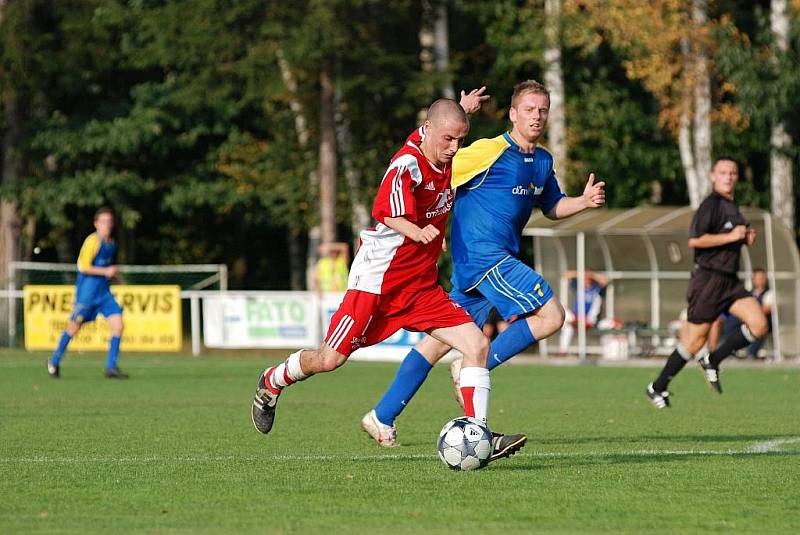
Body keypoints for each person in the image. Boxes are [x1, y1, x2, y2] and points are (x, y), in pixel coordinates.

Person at [250, 98, 524, 461]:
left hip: (420, 288)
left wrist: (461, 108)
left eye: (460, 139)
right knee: (330, 359)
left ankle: (480, 433)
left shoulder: (437, 145)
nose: (454, 148)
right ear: (428, 131)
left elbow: (441, 121)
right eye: (449, 139)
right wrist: (419, 231)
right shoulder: (405, 166)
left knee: (476, 345)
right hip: (376, 285)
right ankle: (272, 382)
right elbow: (386, 212)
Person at [362, 80, 605, 449]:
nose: (536, 116)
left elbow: (553, 206)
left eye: (542, 110)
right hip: (485, 257)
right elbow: (435, 167)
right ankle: (474, 367)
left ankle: (381, 416)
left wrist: (582, 202)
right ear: (512, 114)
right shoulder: (489, 151)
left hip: (480, 267)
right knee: (552, 315)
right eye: (529, 109)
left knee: (435, 344)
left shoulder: (542, 161)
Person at [645, 157, 769, 408]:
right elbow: (696, 240)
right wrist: (730, 236)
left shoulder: (732, 205)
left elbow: (733, 235)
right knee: (692, 343)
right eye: (723, 172)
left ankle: (714, 359)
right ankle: (657, 387)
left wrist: (744, 239)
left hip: (730, 282)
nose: (729, 176)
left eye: (733, 172)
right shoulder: (710, 204)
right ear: (713, 176)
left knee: (759, 324)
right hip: (708, 280)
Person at [47, 207, 127, 379]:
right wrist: (106, 272)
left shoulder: (110, 244)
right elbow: (83, 266)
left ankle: (110, 367)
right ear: (96, 223)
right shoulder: (92, 241)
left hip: (104, 294)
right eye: (104, 222)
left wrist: (115, 278)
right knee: (74, 328)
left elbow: (105, 269)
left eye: (110, 222)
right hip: (87, 294)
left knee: (118, 325)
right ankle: (54, 360)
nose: (108, 225)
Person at [711, 268, 774, 360]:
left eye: (762, 278)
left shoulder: (769, 293)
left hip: (759, 320)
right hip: (745, 318)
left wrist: (749, 314)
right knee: (728, 323)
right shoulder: (749, 292)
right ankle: (724, 352)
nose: (760, 280)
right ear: (753, 279)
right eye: (757, 278)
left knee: (759, 326)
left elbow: (766, 309)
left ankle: (751, 353)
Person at [557, 270, 609, 354]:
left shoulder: (596, 289)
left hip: (590, 319)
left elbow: (605, 280)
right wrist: (582, 273)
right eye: (584, 279)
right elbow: (565, 275)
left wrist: (591, 274)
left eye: (587, 279)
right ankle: (563, 351)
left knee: (598, 300)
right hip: (576, 317)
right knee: (567, 325)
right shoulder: (578, 287)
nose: (585, 281)